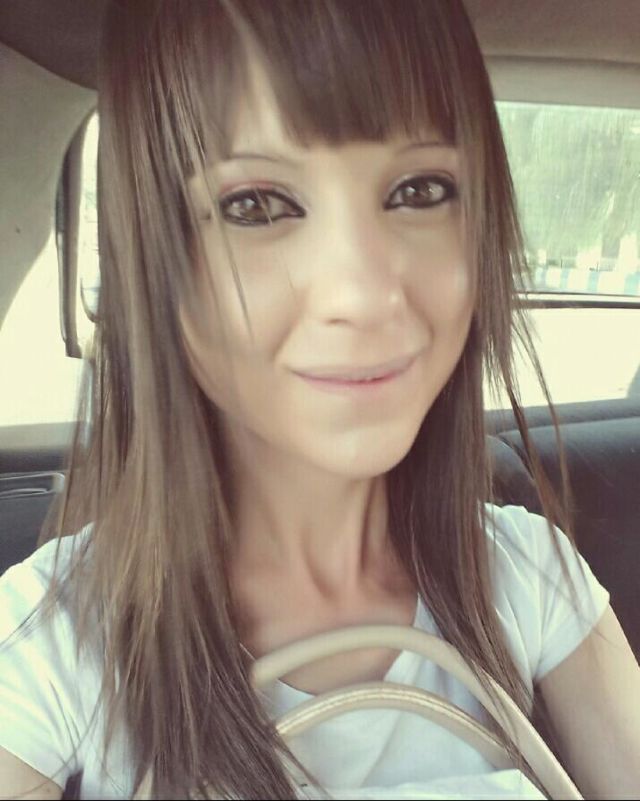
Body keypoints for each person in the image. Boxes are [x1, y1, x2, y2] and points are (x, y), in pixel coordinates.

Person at [1, 1, 639, 799]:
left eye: (419, 189)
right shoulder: (49, 644)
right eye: (256, 205)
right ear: (151, 261)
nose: (366, 294)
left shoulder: (530, 578)